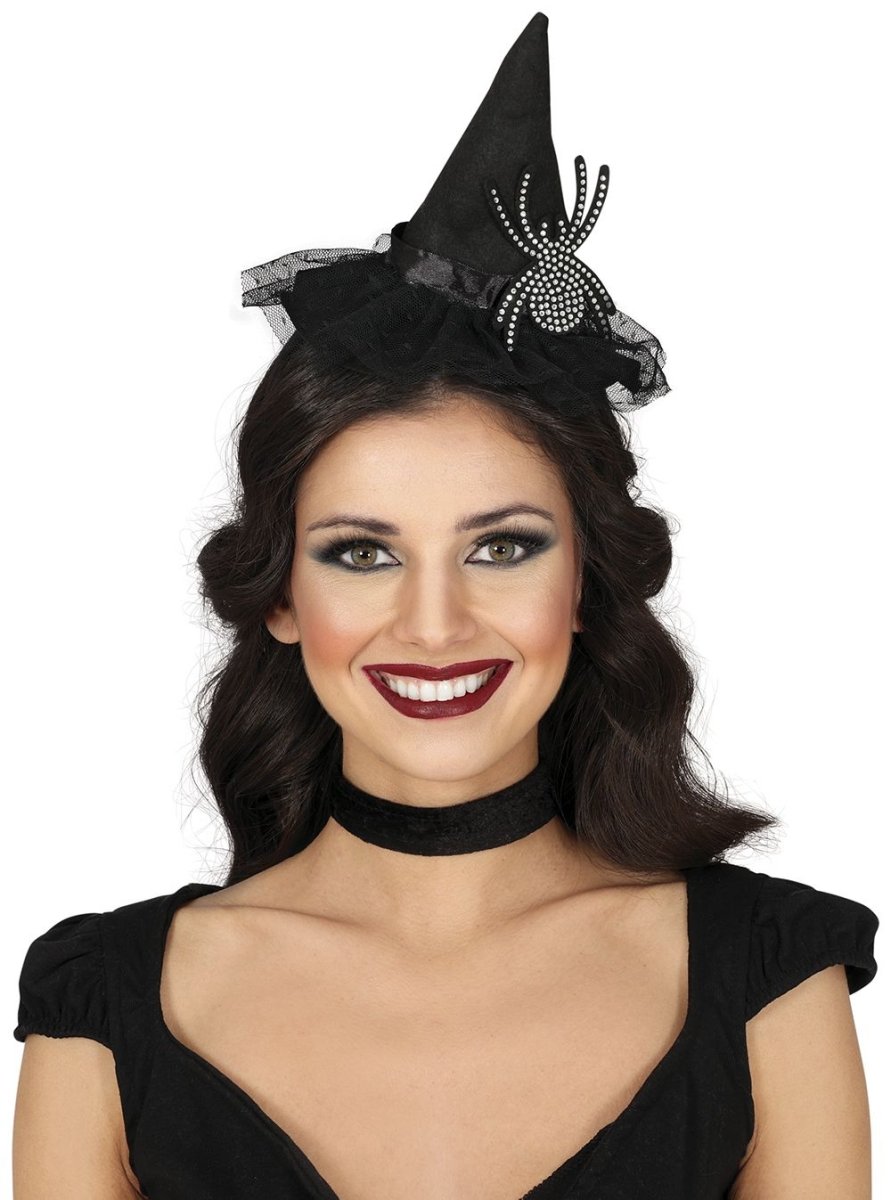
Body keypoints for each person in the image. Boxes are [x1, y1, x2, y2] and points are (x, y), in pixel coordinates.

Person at [11, 12, 879, 1200]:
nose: (433, 625)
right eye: (362, 553)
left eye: (503, 548)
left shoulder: (768, 981)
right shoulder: (102, 1008)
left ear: (587, 582)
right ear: (278, 594)